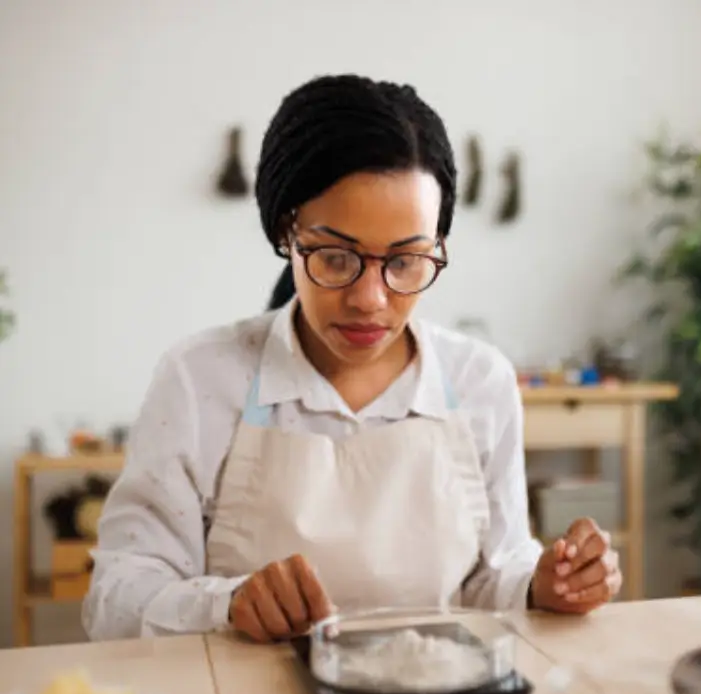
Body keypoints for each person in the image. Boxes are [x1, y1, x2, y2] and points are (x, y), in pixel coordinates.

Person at [84, 74, 622, 642]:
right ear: (287, 235)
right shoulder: (200, 380)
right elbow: (114, 599)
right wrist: (227, 604)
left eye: (407, 261)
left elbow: (495, 574)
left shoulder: (478, 380)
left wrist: (545, 585)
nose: (371, 300)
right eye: (337, 258)